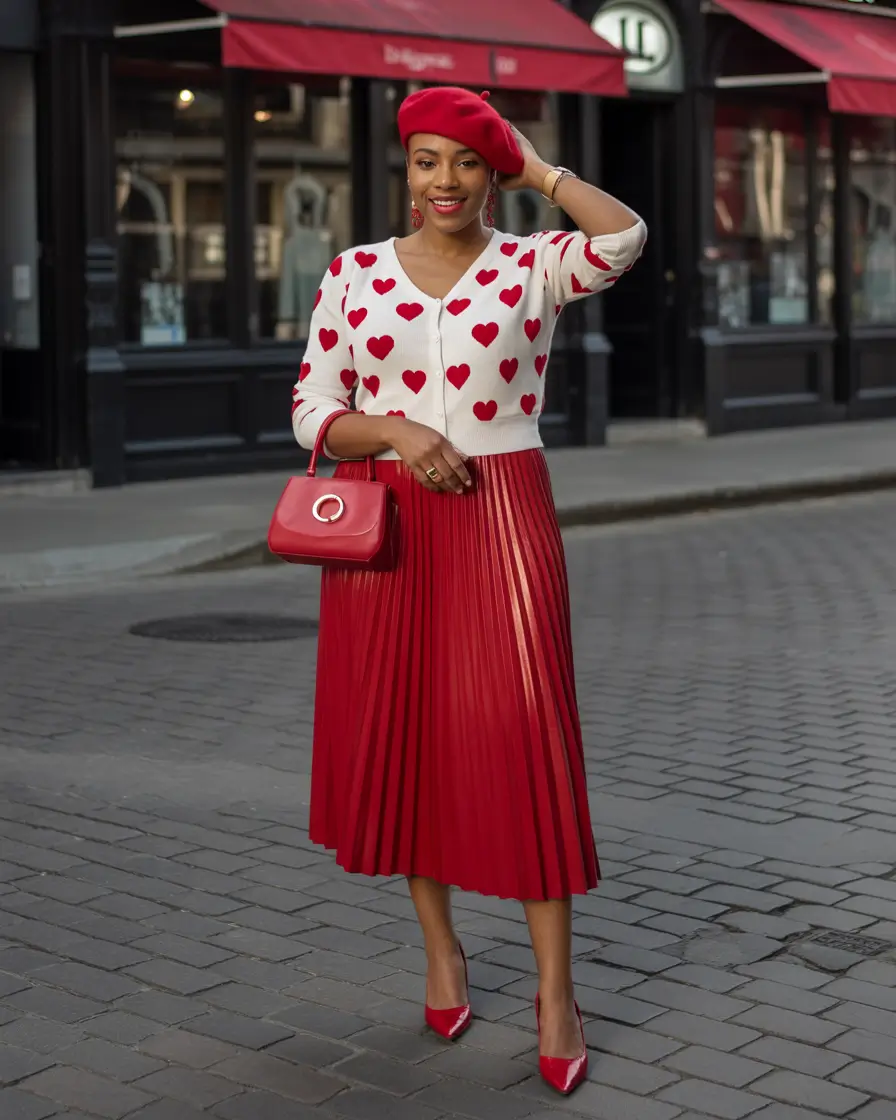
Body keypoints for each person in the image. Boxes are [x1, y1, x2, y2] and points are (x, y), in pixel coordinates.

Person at [292, 85, 646, 1096]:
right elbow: (311, 407)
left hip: (503, 520)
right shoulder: (352, 275)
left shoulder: (532, 265)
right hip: (392, 528)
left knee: (520, 742)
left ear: (489, 172)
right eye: (424, 161)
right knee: (409, 740)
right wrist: (397, 432)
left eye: (464, 161)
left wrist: (538, 170)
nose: (442, 180)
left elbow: (622, 238)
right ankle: (442, 952)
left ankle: (553, 991)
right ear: (403, 172)